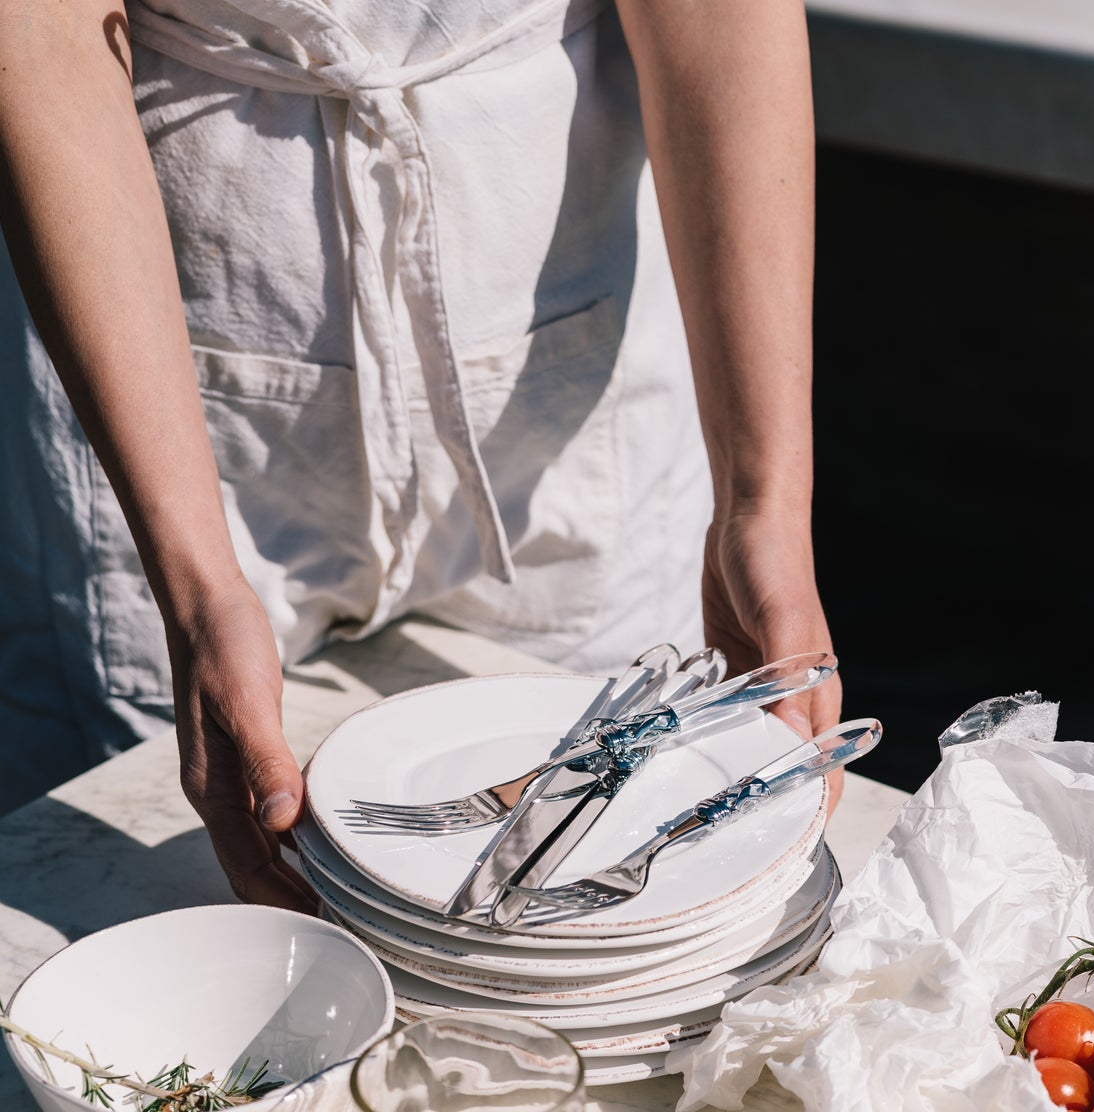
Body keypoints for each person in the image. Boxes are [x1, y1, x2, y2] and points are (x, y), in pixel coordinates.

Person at [0, 0, 839, 906]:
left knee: (610, 879)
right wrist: (199, 589)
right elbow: (44, 34)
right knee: (184, 899)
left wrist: (761, 499)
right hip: (170, 392)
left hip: (564, 382)